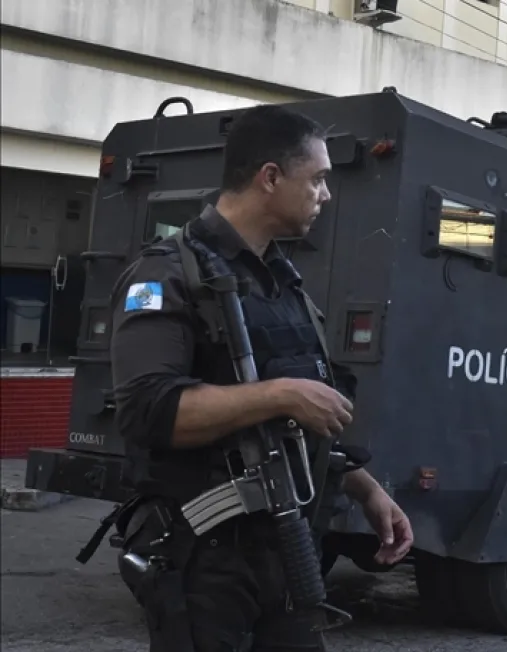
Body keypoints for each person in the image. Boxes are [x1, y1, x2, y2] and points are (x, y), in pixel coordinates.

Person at [104, 104, 416, 650]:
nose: (326, 194)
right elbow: (148, 409)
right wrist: (278, 395)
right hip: (204, 562)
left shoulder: (282, 283)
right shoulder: (168, 274)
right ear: (270, 177)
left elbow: (288, 429)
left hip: (287, 549)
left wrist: (366, 490)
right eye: (317, 179)